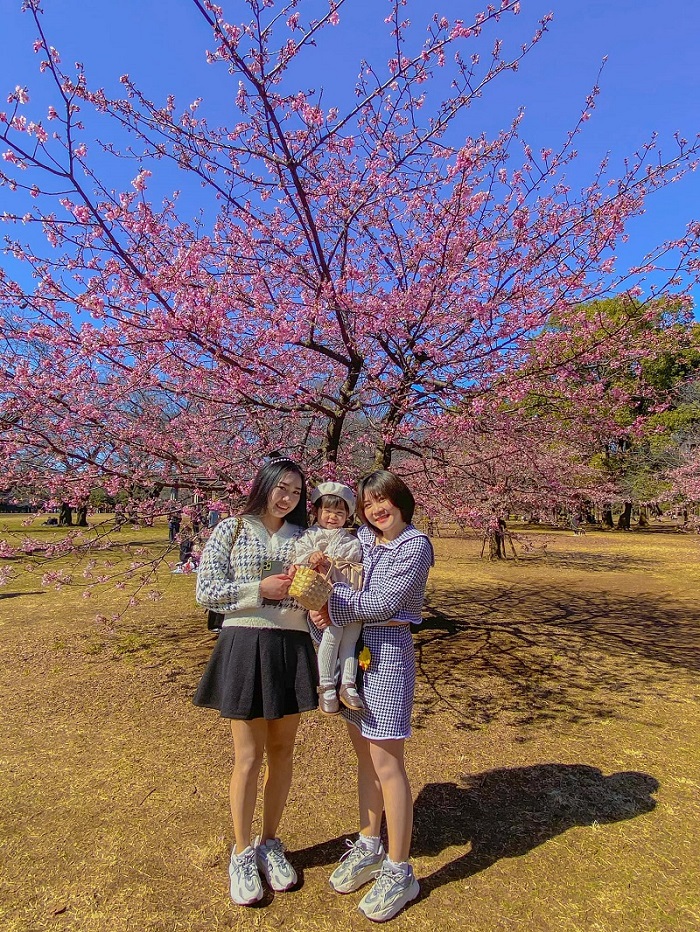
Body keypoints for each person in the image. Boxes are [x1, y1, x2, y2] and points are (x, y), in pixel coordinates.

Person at [309, 470, 434, 923]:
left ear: (401, 501)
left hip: (387, 656)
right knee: (363, 757)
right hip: (355, 653)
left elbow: (381, 603)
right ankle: (369, 843)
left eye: (383, 501)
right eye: (369, 503)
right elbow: (338, 561)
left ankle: (401, 870)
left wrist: (329, 601)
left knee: (387, 761)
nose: (376, 510)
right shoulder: (365, 538)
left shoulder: (414, 545)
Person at [193, 455, 318, 907]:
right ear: (264, 485)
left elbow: (317, 592)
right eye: (281, 487)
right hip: (245, 643)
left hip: (292, 644)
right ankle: (241, 851)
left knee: (283, 749)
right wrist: (257, 591)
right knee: (248, 755)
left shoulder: (306, 537)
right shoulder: (232, 528)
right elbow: (205, 590)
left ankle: (270, 842)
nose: (287, 497)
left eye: (297, 492)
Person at [294, 482, 364, 715]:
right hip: (326, 598)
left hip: (350, 597)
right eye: (328, 511)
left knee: (351, 639)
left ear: (348, 515)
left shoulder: (351, 539)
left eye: (340, 512)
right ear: (317, 512)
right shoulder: (311, 535)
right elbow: (300, 555)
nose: (333, 517)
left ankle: (348, 683)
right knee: (332, 636)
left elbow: (356, 562)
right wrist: (312, 557)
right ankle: (326, 685)